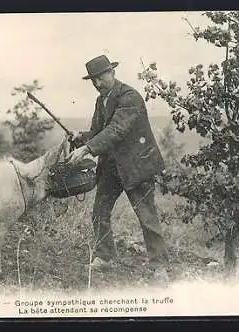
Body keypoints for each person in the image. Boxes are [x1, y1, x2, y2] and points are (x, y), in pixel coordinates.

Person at [67, 55, 169, 272]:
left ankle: (159, 266)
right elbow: (99, 132)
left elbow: (117, 130)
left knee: (146, 217)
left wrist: (86, 149)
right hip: (112, 168)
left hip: (137, 167)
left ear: (112, 73)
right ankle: (105, 257)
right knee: (99, 212)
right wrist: (82, 137)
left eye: (100, 78)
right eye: (93, 80)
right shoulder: (101, 100)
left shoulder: (130, 97)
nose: (97, 84)